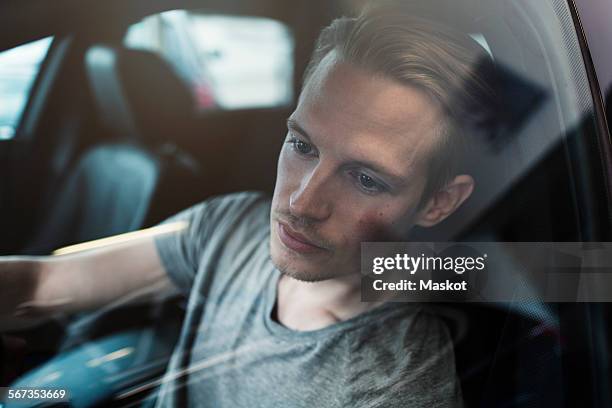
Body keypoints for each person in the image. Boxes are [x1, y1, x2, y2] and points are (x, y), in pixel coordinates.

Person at [0, 2, 496, 407]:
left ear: (438, 203)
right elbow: (42, 284)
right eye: (302, 146)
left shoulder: (397, 384)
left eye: (365, 178)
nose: (302, 203)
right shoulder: (231, 226)